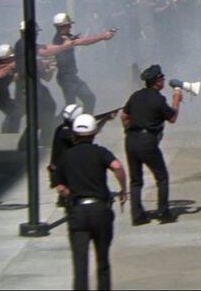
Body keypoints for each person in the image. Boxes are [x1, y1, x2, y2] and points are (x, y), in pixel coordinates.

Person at [54, 113, 127, 291]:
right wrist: (123, 189)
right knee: (102, 260)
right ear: (94, 133)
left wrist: (69, 194)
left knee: (80, 264)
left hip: (78, 212)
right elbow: (117, 166)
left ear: (74, 134)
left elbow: (60, 187)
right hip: (100, 210)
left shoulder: (66, 156)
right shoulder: (100, 152)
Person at [121, 64, 182, 225]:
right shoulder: (158, 99)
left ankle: (137, 215)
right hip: (147, 141)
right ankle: (163, 211)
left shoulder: (135, 96)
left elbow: (124, 115)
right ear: (156, 81)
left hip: (131, 139)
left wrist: (128, 130)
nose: (164, 80)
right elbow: (172, 118)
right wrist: (177, 101)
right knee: (161, 177)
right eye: (162, 78)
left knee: (135, 180)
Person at [52, 13, 115, 114]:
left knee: (89, 98)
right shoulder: (61, 39)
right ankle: (62, 125)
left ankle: (84, 122)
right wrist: (103, 36)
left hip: (71, 77)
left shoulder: (66, 37)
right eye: (68, 25)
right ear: (61, 27)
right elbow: (84, 42)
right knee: (71, 107)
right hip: (66, 78)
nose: (70, 27)